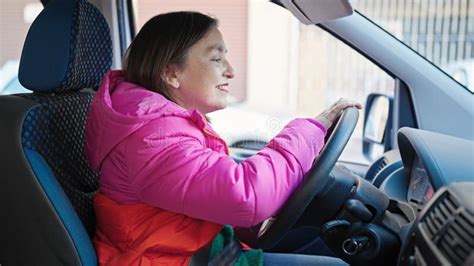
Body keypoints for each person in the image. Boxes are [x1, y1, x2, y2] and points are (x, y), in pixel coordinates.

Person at [85, 11, 361, 266]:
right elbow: (246, 196)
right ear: (172, 73)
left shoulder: (159, 125)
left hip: (194, 253)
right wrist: (309, 130)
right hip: (171, 260)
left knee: (316, 240)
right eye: (216, 59)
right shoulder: (152, 138)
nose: (230, 70)